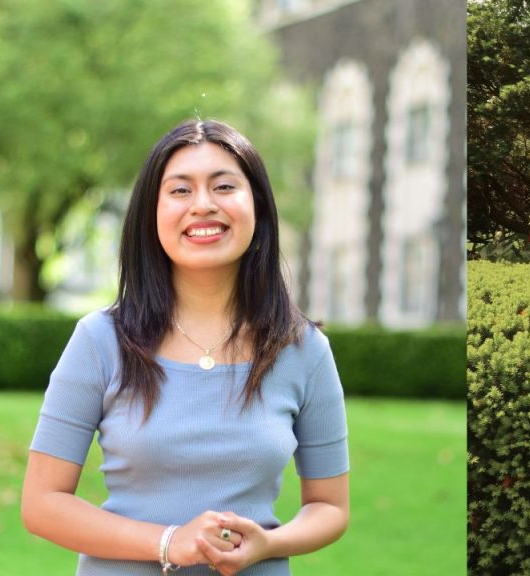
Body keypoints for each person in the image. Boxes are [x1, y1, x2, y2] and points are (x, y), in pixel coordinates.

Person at [22, 119, 349, 575]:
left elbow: (330, 507)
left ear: (257, 206)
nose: (203, 205)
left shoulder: (303, 349)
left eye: (224, 186)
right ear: (150, 213)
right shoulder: (100, 341)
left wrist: (268, 543)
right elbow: (42, 504)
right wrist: (170, 542)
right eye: (180, 190)